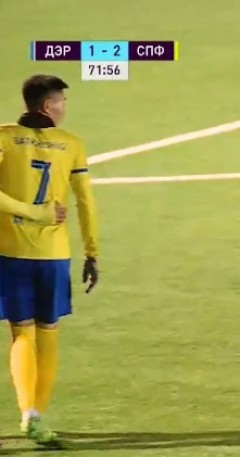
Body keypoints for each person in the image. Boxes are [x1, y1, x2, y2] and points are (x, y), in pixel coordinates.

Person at [0, 74, 100, 447]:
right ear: (48, 105)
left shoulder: (4, 137)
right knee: (49, 332)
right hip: (53, 255)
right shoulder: (71, 145)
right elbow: (85, 202)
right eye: (61, 101)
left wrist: (26, 211)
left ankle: (28, 410)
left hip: (10, 252)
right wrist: (92, 251)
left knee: (21, 333)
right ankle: (34, 416)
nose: (64, 108)